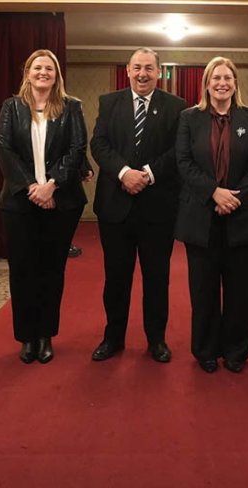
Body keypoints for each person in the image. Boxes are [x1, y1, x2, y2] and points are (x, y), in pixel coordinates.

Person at [90, 48, 187, 363]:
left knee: (157, 278)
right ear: (127, 71)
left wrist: (146, 174)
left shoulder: (176, 107)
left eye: (149, 68)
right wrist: (123, 173)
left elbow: (178, 152)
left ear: (159, 72)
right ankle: (113, 338)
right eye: (137, 67)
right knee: (116, 277)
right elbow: (99, 144)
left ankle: (156, 340)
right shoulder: (109, 102)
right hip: (115, 207)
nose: (142, 73)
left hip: (157, 208)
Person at [175, 57, 248, 373]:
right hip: (201, 217)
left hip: (242, 216)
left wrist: (233, 197)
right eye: (216, 78)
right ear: (207, 83)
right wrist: (214, 192)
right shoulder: (189, 118)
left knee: (241, 290)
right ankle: (206, 351)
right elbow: (183, 162)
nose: (222, 83)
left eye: (228, 77)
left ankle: (237, 351)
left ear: (235, 83)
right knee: (203, 289)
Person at [0, 49, 87, 365]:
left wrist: (51, 185)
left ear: (56, 74)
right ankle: (27, 338)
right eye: (38, 67)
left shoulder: (71, 107)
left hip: (61, 202)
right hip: (19, 202)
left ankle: (46, 335)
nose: (43, 72)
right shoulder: (12, 107)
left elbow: (77, 149)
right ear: (28, 73)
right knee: (22, 271)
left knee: (51, 271)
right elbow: (4, 148)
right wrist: (32, 187)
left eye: (49, 68)